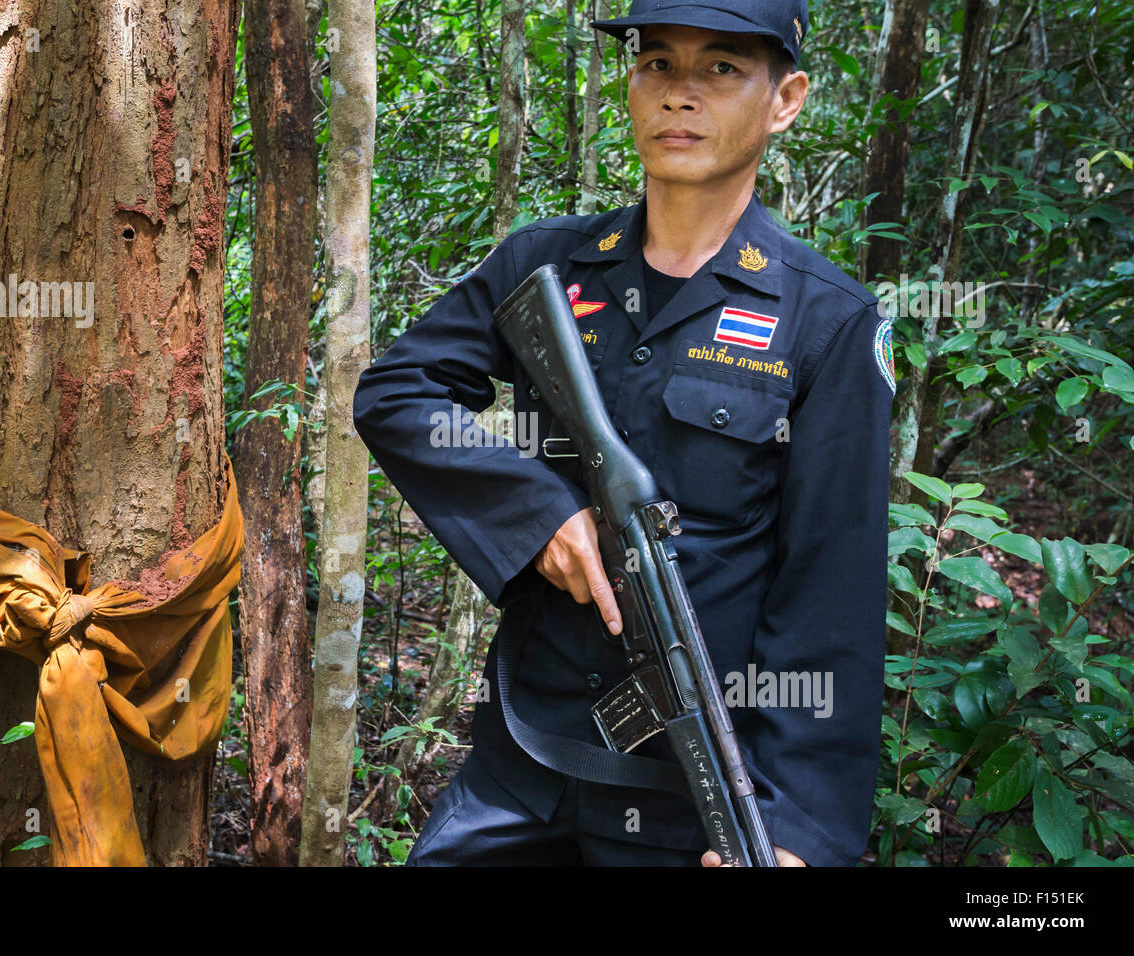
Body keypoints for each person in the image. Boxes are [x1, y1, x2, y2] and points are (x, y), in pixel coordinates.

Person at [351, 0, 893, 866]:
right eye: (657, 64)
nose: (681, 94)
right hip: (526, 757)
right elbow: (398, 392)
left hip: (698, 794)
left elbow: (834, 594)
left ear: (785, 99)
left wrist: (799, 836)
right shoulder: (546, 266)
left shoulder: (824, 321)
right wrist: (537, 517)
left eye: (721, 68)